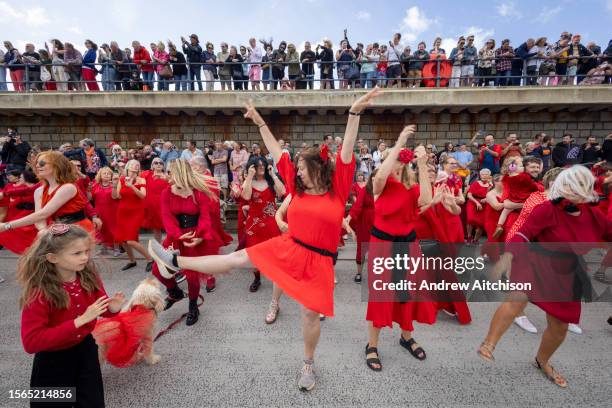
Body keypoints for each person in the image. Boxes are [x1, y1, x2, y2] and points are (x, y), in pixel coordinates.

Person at [148, 88, 381, 391]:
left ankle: (308, 364)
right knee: (237, 257)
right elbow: (276, 152)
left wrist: (354, 113)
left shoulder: (336, 189)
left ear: (317, 169)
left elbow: (348, 150)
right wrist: (259, 122)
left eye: (301, 167)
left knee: (310, 316)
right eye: (296, 167)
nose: (296, 171)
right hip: (289, 246)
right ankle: (175, 261)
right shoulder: (297, 191)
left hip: (319, 261)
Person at [478, 166, 610, 388]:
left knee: (559, 326)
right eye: (569, 184)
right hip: (535, 261)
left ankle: (542, 361)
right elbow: (523, 233)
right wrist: (508, 256)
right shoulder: (546, 209)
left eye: (580, 184)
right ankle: (488, 344)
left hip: (566, 272)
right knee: (516, 299)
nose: (574, 189)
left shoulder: (594, 216)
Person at [18, 224, 125, 407]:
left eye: (86, 251)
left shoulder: (88, 276)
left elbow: (100, 308)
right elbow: (31, 342)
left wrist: (112, 308)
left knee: (92, 401)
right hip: (52, 362)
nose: (85, 257)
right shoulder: (39, 291)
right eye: (77, 253)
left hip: (85, 350)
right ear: (52, 257)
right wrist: (79, 321)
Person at [364, 126, 435, 371]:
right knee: (382, 295)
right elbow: (381, 177)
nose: (395, 163)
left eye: (397, 160)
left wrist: (423, 164)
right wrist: (400, 140)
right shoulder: (379, 184)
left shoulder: (411, 186)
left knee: (408, 293)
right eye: (389, 159)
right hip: (383, 246)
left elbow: (426, 199)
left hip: (409, 245)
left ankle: (406, 336)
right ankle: (371, 345)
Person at [150, 159, 219, 326]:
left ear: (179, 174)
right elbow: (167, 217)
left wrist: (200, 236)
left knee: (192, 276)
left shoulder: (198, 192)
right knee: (157, 269)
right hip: (176, 237)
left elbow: (204, 217)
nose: (167, 176)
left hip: (196, 236)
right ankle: (175, 292)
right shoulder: (167, 192)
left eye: (170, 172)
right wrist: (177, 235)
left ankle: (193, 306)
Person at [241, 156, 286, 293]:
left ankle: (277, 276)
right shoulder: (249, 181)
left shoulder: (271, 180)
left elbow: (282, 192)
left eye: (263, 164)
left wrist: (273, 174)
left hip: (271, 220)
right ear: (252, 167)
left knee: (275, 249)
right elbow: (246, 197)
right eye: (258, 165)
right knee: (254, 252)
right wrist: (249, 177)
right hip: (254, 223)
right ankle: (257, 278)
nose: (261, 167)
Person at [112, 159, 153, 271]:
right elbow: (117, 197)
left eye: (137, 165)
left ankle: (150, 259)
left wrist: (131, 186)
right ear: (128, 167)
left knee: (130, 240)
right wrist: (114, 185)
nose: (135, 166)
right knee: (122, 239)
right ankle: (132, 261)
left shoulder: (141, 179)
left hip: (136, 212)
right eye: (133, 164)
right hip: (123, 211)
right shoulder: (121, 179)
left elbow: (143, 196)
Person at [0, 167, 40, 254]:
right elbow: (20, 198)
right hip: (26, 212)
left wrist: (5, 195)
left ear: (26, 178)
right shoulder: (27, 188)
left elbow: (24, 193)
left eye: (21, 177)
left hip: (33, 213)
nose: (19, 179)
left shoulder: (34, 188)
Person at [345, 172, 375, 283]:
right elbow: (357, 206)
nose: (375, 181)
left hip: (379, 222)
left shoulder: (384, 191)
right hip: (364, 222)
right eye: (373, 179)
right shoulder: (365, 190)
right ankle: (359, 273)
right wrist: (349, 217)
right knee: (362, 248)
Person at [91, 167, 119, 255]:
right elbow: (90, 198)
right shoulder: (95, 185)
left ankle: (116, 249)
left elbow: (116, 197)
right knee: (102, 229)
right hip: (99, 210)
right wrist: (88, 190)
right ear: (100, 175)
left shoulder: (115, 185)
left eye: (108, 173)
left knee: (113, 229)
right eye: (104, 173)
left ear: (111, 176)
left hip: (112, 210)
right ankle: (104, 248)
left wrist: (114, 186)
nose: (106, 175)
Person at [141, 158, 169, 243]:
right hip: (151, 207)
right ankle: (159, 246)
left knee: (169, 227)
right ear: (152, 165)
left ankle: (171, 245)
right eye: (156, 163)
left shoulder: (167, 176)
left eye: (161, 163)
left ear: (163, 166)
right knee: (156, 229)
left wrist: (166, 179)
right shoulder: (146, 174)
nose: (158, 164)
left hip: (164, 207)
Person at [466, 169, 492, 244]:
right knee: (470, 219)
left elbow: (492, 195)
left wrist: (486, 198)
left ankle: (476, 239)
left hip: (484, 204)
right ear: (480, 176)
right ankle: (469, 236)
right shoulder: (475, 183)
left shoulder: (491, 185)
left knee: (481, 223)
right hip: (473, 202)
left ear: (489, 176)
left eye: (486, 174)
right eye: (483, 174)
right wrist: (477, 203)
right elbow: (469, 195)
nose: (484, 175)